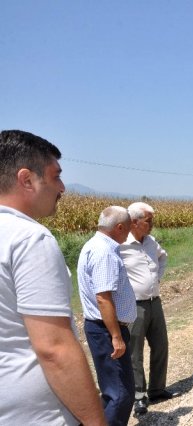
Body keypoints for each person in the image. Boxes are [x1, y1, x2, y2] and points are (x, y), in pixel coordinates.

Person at [0, 130, 106, 425]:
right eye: (56, 176)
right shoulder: (28, 238)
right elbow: (53, 348)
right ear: (27, 179)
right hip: (38, 415)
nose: (62, 187)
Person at [78, 206, 137, 426]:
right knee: (120, 395)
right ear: (119, 227)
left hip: (103, 329)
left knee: (113, 391)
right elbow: (103, 298)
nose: (130, 232)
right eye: (129, 228)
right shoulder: (104, 252)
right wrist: (116, 336)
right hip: (106, 330)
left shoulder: (95, 245)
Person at [120, 202, 178, 416]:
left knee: (161, 345)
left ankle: (157, 389)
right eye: (148, 221)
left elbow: (163, 257)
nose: (152, 225)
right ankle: (139, 396)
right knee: (135, 353)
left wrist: (157, 278)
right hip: (134, 305)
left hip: (155, 302)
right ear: (134, 222)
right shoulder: (121, 245)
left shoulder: (151, 242)